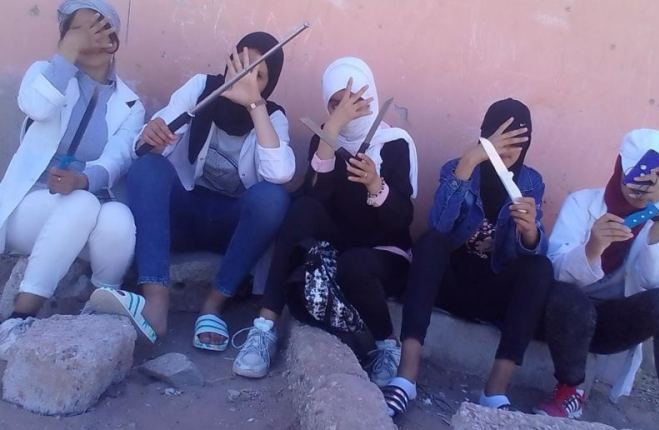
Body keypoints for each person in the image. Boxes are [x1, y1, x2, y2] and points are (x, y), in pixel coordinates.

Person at [88, 32, 294, 347]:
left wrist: (255, 105)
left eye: (259, 75)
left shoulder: (272, 116)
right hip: (183, 214)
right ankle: (156, 301)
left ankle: (213, 306)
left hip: (231, 228)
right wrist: (153, 137)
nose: (246, 77)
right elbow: (144, 148)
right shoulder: (202, 88)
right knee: (148, 168)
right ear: (230, 61)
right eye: (242, 65)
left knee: (273, 198)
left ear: (270, 84)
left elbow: (279, 174)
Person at [231, 57, 419, 381]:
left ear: (369, 97)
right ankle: (264, 328)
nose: (346, 109)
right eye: (336, 103)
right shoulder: (323, 137)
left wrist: (375, 184)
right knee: (302, 209)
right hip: (337, 246)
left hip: (382, 253)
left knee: (354, 265)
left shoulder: (394, 143)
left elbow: (401, 220)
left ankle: (387, 346)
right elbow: (316, 198)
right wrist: (331, 133)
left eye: (353, 99)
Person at [382, 99, 554, 416]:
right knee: (430, 243)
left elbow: (527, 256)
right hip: (450, 283)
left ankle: (495, 393)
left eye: (519, 140)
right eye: (502, 137)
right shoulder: (458, 167)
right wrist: (468, 164)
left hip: (492, 291)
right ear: (486, 135)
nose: (509, 149)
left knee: (541, 267)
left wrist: (530, 232)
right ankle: (406, 377)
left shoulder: (531, 182)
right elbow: (439, 225)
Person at [0, 0, 143, 357]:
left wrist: (83, 179)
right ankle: (19, 317)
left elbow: (119, 158)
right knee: (83, 204)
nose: (86, 35)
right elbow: (37, 107)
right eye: (77, 29)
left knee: (118, 216)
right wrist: (64, 57)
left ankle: (99, 309)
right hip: (31, 207)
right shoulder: (46, 74)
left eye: (96, 26)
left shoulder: (131, 104)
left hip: (86, 212)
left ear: (112, 38)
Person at [535, 129, 659, 430]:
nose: (639, 190)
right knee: (568, 296)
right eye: (634, 178)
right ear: (620, 167)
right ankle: (570, 391)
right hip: (565, 320)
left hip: (611, 325)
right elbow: (552, 272)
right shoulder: (582, 203)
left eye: (650, 183)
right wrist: (592, 249)